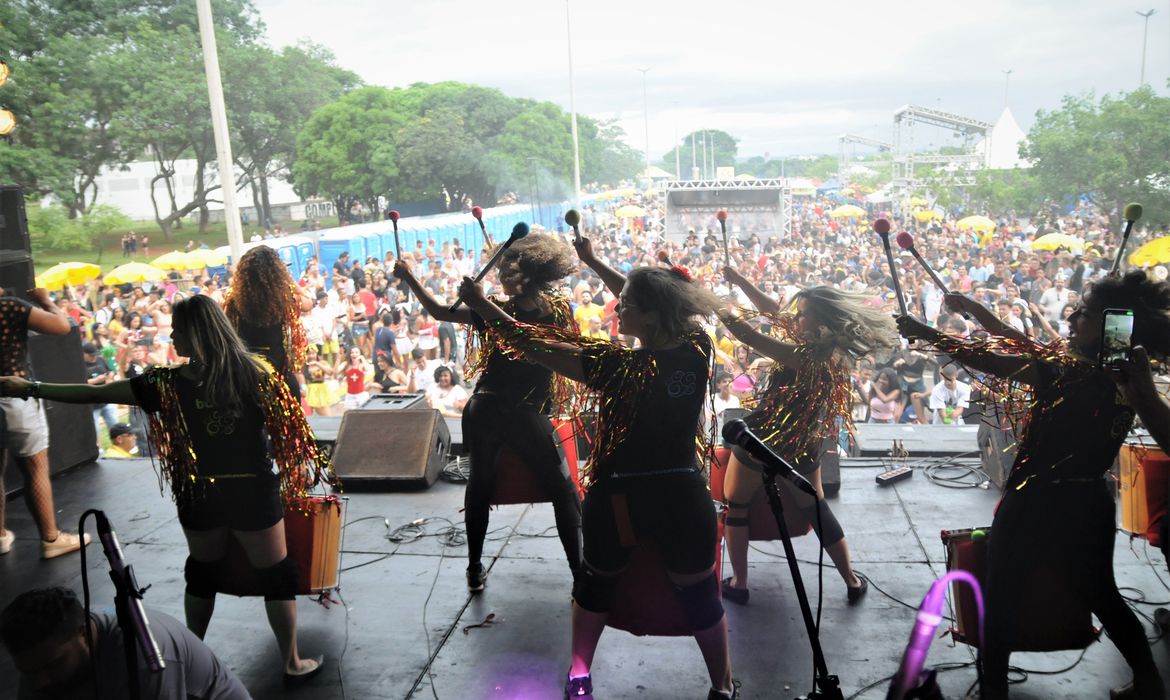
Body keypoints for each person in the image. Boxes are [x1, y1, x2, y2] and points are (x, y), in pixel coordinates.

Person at [457, 236, 738, 700]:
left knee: (596, 586)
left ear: (650, 315)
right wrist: (595, 262)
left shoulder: (616, 365)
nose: (615, 306)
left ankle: (580, 676)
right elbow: (660, 299)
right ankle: (722, 686)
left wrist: (482, 305)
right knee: (698, 592)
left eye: (625, 304)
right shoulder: (697, 346)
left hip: (620, 497)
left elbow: (530, 342)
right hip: (682, 493)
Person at [0, 295, 334, 683]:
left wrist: (32, 387)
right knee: (275, 577)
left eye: (177, 330)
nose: (171, 337)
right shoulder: (256, 374)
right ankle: (292, 662)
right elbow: (289, 434)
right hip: (252, 493)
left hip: (199, 495)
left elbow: (94, 394)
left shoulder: (168, 383)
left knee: (203, 575)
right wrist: (299, 467)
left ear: (196, 334)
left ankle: (189, 659)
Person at [898, 270, 1170, 700]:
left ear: (1110, 324)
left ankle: (994, 691)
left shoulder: (1070, 372)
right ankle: (1150, 682)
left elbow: (996, 360)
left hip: (1038, 499)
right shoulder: (1121, 374)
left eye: (1084, 313)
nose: (1072, 318)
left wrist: (927, 334)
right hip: (1091, 500)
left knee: (1000, 592)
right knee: (1102, 593)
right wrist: (974, 309)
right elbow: (1017, 341)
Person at [395, 233, 583, 595]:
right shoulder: (556, 310)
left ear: (524, 276)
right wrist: (415, 279)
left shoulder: (496, 309)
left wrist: (410, 278)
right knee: (563, 490)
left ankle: (474, 567)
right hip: (522, 411)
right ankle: (580, 575)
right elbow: (442, 313)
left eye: (507, 271)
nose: (500, 275)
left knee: (480, 484)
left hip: (486, 407)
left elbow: (440, 312)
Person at [718, 266, 897, 604]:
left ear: (821, 321)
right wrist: (741, 282)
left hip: (762, 441)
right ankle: (852, 580)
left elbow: (750, 337)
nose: (796, 319)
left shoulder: (805, 355)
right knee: (817, 510)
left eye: (803, 315)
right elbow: (775, 311)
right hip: (802, 447)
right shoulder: (830, 349)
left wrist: (715, 305)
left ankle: (739, 583)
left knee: (736, 506)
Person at [1, 586, 250, 699]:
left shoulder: (144, 656)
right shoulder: (42, 656)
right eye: (28, 672)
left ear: (84, 634)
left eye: (52, 666)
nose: (39, 682)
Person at [0, 288, 90, 559]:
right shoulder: (10, 306)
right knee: (36, 467)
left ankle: (0, 536)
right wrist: (45, 300)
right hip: (14, 395)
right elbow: (62, 326)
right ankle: (51, 538)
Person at [223, 245, 313, 399]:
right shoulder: (285, 297)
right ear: (277, 271)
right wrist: (288, 279)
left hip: (249, 370)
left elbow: (226, 325)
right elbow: (308, 303)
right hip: (279, 371)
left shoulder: (234, 299)